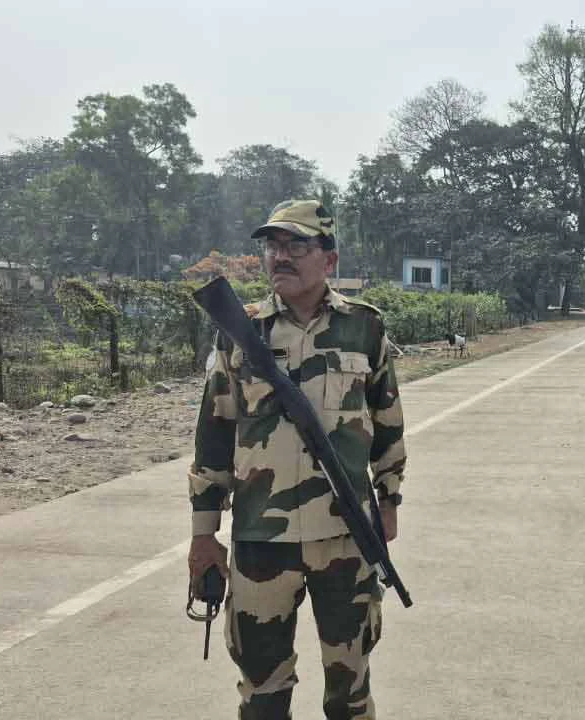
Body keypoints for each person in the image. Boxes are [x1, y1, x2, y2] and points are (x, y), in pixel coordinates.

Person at [187, 199, 406, 719]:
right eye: (273, 246)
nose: (280, 256)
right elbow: (214, 434)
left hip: (345, 537)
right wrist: (203, 533)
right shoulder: (241, 329)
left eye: (296, 246)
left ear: (329, 259)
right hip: (261, 540)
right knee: (262, 693)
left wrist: (389, 499)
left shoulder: (364, 328)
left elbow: (387, 421)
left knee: (350, 692)